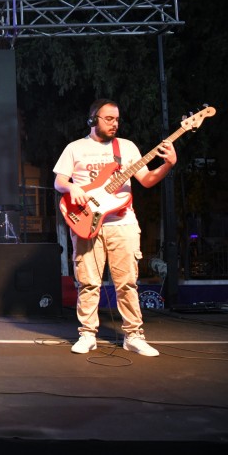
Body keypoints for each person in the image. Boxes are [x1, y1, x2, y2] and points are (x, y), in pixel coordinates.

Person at [53, 98, 176, 357]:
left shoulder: (127, 148)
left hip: (123, 222)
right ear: (92, 120)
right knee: (88, 283)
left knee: (127, 283)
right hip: (86, 221)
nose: (114, 123)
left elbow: (147, 180)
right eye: (109, 119)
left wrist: (167, 165)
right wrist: (72, 187)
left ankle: (134, 336)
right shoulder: (75, 148)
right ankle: (87, 334)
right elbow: (59, 181)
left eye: (117, 119)